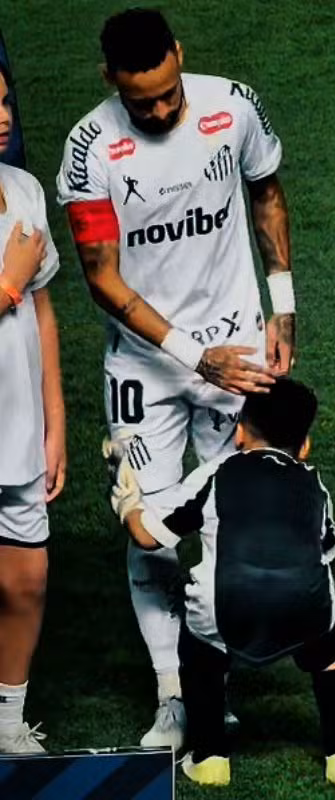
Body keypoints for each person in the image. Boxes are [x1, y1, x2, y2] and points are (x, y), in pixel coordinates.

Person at [56, 8, 294, 748]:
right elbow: (101, 277)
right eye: (141, 101)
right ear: (110, 80)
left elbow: (267, 195)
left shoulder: (234, 105)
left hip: (238, 345)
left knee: (232, 516)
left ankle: (212, 681)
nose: (159, 111)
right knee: (153, 530)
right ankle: (172, 693)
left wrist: (283, 306)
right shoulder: (90, 148)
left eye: (167, 94)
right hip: (146, 365)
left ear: (179, 56)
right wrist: (195, 354)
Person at [108, 378, 335, 787]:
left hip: (224, 613)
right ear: (305, 445)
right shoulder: (314, 484)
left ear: (239, 433)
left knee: (198, 635)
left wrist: (126, 500)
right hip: (304, 612)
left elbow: (148, 537)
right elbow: (327, 552)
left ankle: (209, 759)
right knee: (333, 640)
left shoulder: (214, 474)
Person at [0, 63, 63, 754]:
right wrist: (8, 284)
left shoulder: (23, 190)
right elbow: (21, 292)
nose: (3, 117)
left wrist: (55, 425)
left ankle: (8, 720)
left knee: (26, 581)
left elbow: (43, 315)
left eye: (4, 102)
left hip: (18, 431)